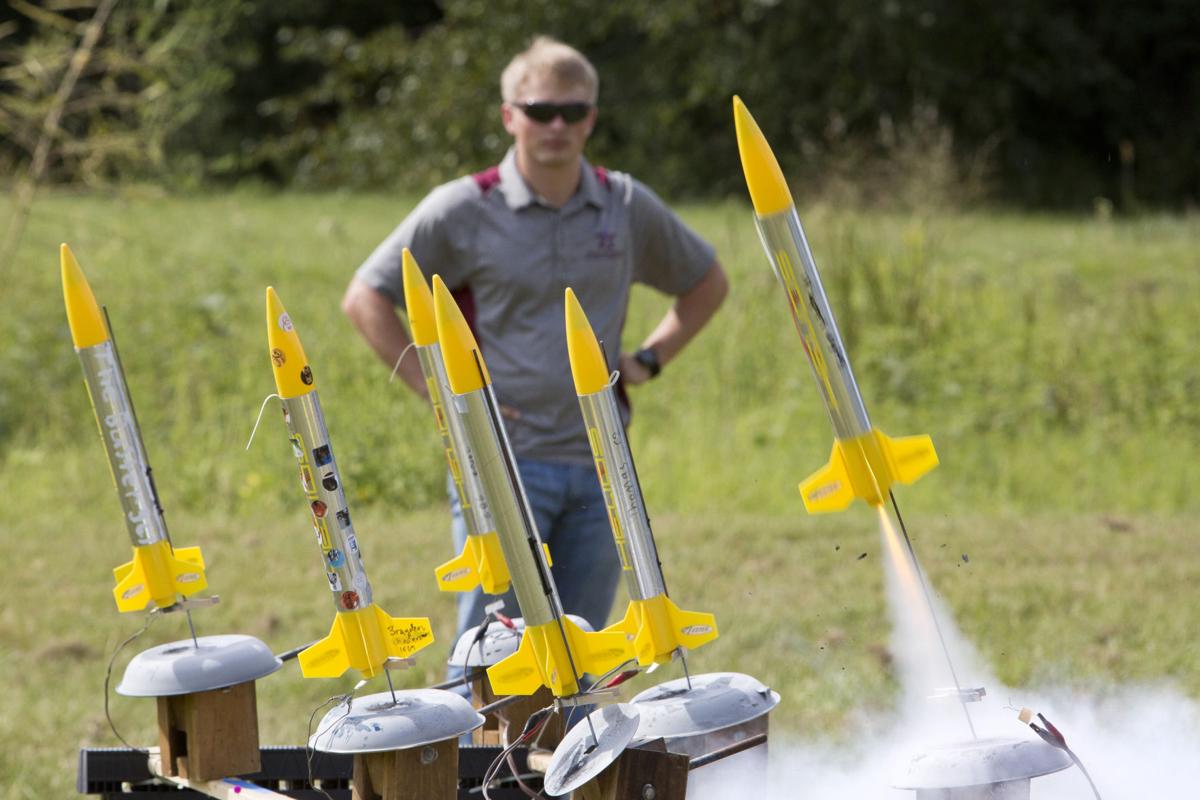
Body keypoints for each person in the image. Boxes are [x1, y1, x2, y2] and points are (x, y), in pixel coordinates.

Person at [342, 36, 727, 649]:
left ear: (591, 119)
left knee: (583, 651)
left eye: (573, 112)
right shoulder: (464, 207)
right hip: (503, 463)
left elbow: (706, 282)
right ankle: (477, 721)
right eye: (540, 110)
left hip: (603, 466)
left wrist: (648, 360)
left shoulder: (625, 204)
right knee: (492, 654)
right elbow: (367, 297)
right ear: (509, 116)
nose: (557, 126)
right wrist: (441, 398)